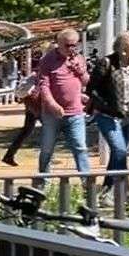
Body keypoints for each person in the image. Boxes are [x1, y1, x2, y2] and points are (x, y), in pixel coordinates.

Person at [89, 32, 129, 201]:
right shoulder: (106, 62)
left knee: (118, 155)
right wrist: (107, 107)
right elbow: (92, 89)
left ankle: (106, 190)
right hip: (108, 116)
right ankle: (126, 192)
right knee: (120, 151)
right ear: (125, 46)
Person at [34, 27, 91, 175]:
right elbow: (43, 86)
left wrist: (80, 71)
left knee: (80, 148)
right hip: (52, 114)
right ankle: (43, 184)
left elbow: (87, 82)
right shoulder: (47, 60)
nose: (71, 48)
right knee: (47, 149)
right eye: (67, 45)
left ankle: (87, 186)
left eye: (74, 45)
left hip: (75, 113)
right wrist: (52, 104)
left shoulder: (79, 59)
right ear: (59, 43)